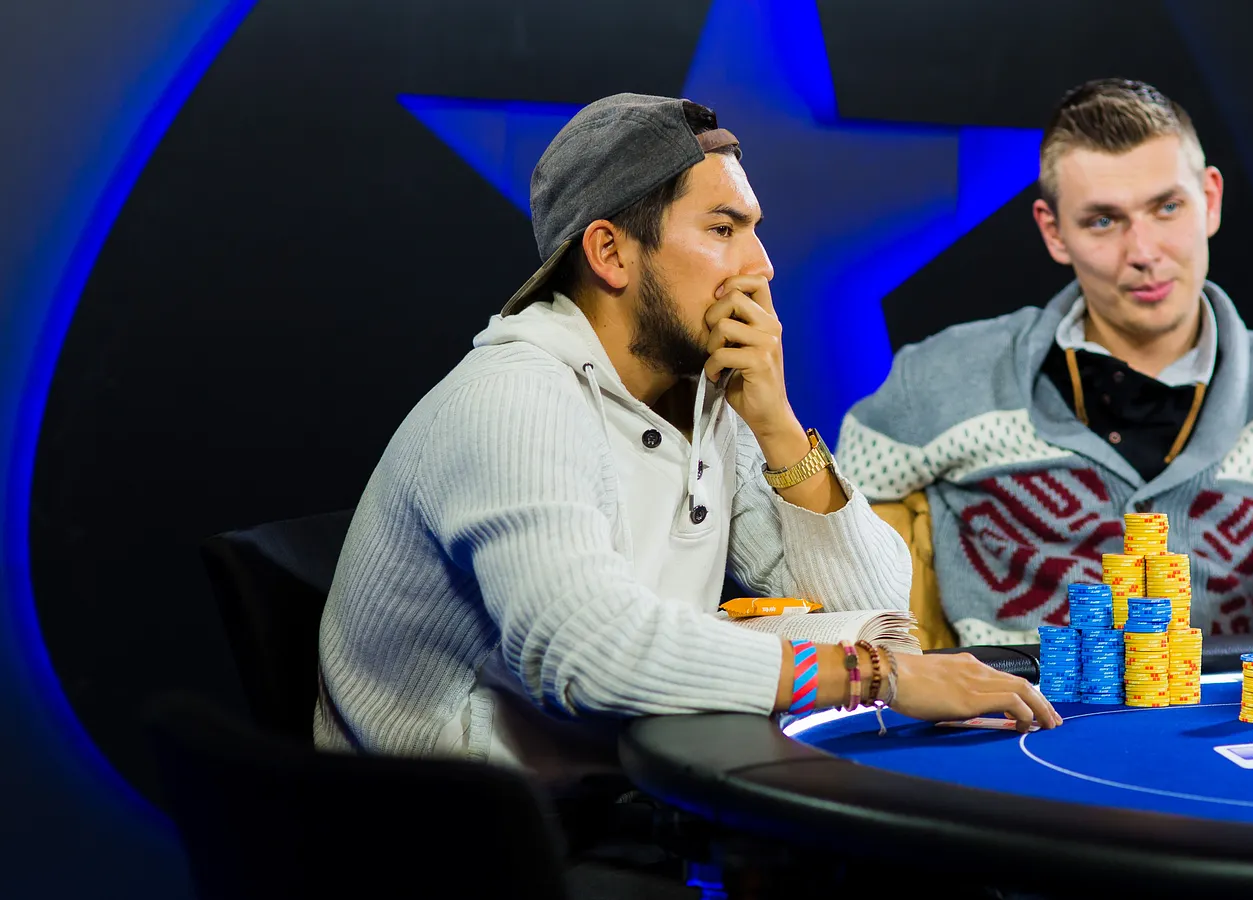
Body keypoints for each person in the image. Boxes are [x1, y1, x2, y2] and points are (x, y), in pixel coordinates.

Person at [314, 92, 1061, 807]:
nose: (762, 265)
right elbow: (587, 653)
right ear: (610, 251)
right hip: (464, 841)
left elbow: (878, 611)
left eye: (754, 229)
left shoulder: (708, 399)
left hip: (618, 794)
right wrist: (871, 675)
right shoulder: (515, 400)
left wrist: (777, 425)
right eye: (723, 229)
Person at [836, 79, 1253, 646]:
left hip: (1220, 734)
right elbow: (819, 546)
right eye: (1103, 221)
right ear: (1053, 231)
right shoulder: (942, 377)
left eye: (1167, 207)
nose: (1143, 252)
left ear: (1211, 200)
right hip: (1011, 732)